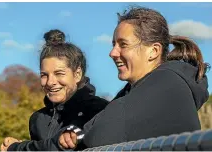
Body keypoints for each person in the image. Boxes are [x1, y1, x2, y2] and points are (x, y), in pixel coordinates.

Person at [58, 6, 210, 150]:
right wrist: (77, 129)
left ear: (154, 51)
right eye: (113, 44)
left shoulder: (167, 82)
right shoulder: (135, 90)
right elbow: (96, 123)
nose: (112, 53)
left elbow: (99, 135)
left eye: (123, 44)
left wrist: (81, 133)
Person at [0, 29, 109, 151]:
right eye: (44, 75)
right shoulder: (37, 119)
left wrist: (16, 148)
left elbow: (56, 147)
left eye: (59, 73)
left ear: (77, 74)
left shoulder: (99, 111)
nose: (50, 82)